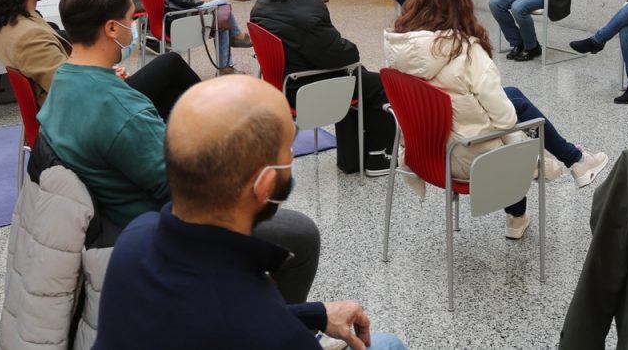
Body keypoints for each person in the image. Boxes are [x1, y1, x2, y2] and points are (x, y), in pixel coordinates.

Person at [35, 0, 320, 303]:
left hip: (113, 211)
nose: (133, 28)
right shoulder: (121, 109)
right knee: (300, 234)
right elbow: (182, 195)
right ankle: (282, 331)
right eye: (130, 20)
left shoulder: (65, 80)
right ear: (112, 30)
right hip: (152, 226)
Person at [95, 76, 407, 350]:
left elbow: (202, 322)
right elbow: (244, 325)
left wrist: (316, 313)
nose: (291, 160)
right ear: (265, 184)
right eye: (288, 148)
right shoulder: (275, 336)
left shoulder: (134, 238)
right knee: (389, 343)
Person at [385, 0, 610, 239]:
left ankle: (570, 166)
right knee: (511, 125)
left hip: (424, 151)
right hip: (466, 158)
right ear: (463, 7)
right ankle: (570, 165)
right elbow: (503, 122)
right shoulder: (465, 51)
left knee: (510, 100)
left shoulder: (399, 46)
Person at [0, 0, 198, 119]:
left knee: (171, 95)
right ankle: (217, 121)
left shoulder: (9, 22)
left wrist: (103, 71)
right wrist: (108, 78)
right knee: (170, 63)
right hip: (86, 112)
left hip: (79, 99)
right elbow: (72, 91)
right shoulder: (27, 35)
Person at [250, 0, 395, 177]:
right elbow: (341, 55)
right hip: (307, 89)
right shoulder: (309, 7)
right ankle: (379, 159)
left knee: (360, 76)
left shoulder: (263, 2)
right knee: (380, 84)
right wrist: (351, 48)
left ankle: (354, 157)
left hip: (283, 84)